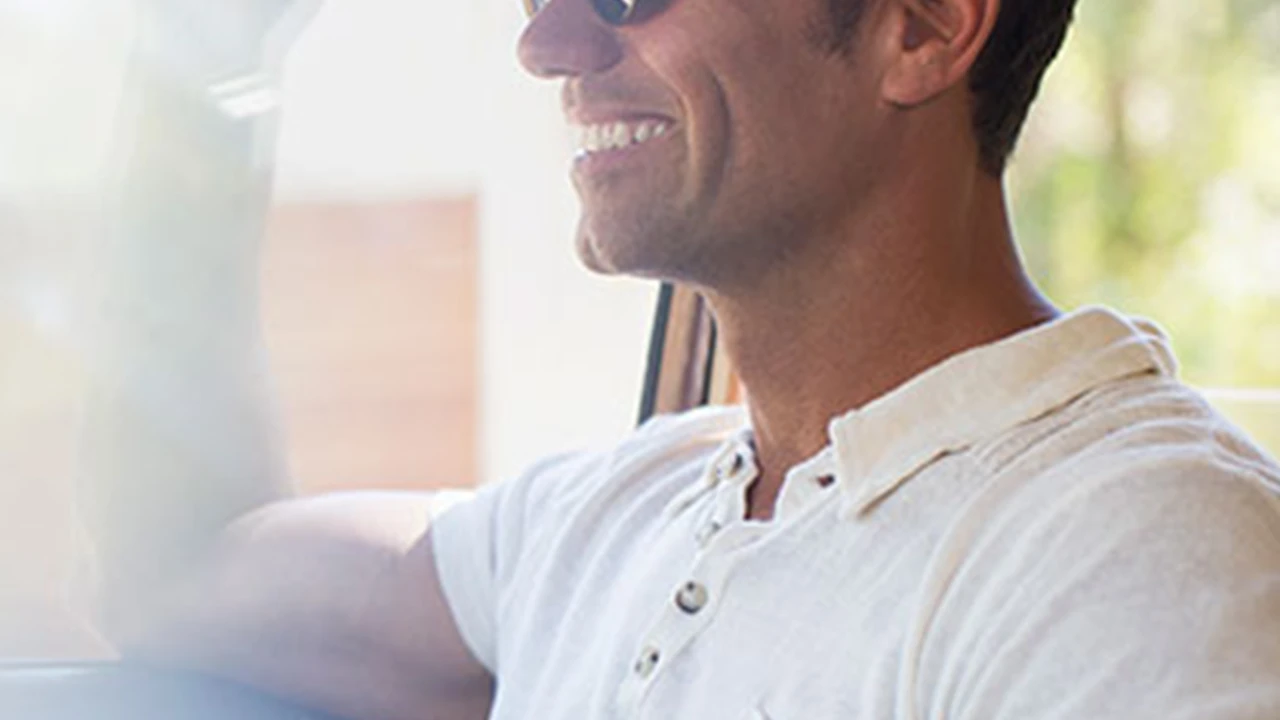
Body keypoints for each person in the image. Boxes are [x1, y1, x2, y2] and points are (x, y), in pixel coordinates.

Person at [81, 0, 1280, 718]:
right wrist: (212, 48)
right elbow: (174, 577)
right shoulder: (602, 520)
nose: (545, 46)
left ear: (921, 24)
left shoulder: (1138, 556)